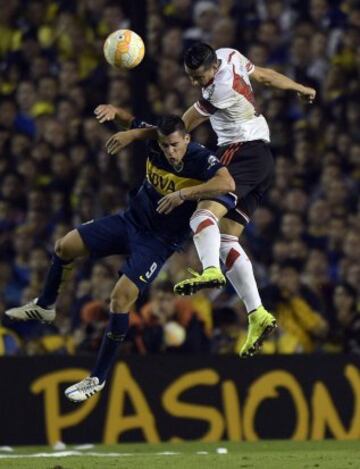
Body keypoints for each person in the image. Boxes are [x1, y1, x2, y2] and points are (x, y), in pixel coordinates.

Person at [103, 42, 316, 357]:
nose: (194, 83)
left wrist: (132, 134)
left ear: (213, 69)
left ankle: (210, 270)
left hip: (239, 151)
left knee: (201, 216)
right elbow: (267, 77)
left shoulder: (217, 90)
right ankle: (257, 313)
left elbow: (179, 129)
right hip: (262, 157)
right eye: (190, 76)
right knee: (228, 238)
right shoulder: (230, 54)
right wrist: (299, 87)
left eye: (199, 77)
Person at [5, 114, 235, 401]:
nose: (170, 152)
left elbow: (227, 183)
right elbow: (133, 122)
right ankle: (45, 305)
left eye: (175, 145)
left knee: (120, 297)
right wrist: (116, 116)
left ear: (187, 138)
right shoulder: (155, 143)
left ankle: (97, 378)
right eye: (165, 146)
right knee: (64, 246)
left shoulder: (201, 159)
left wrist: (186, 194)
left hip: (157, 242)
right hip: (129, 222)